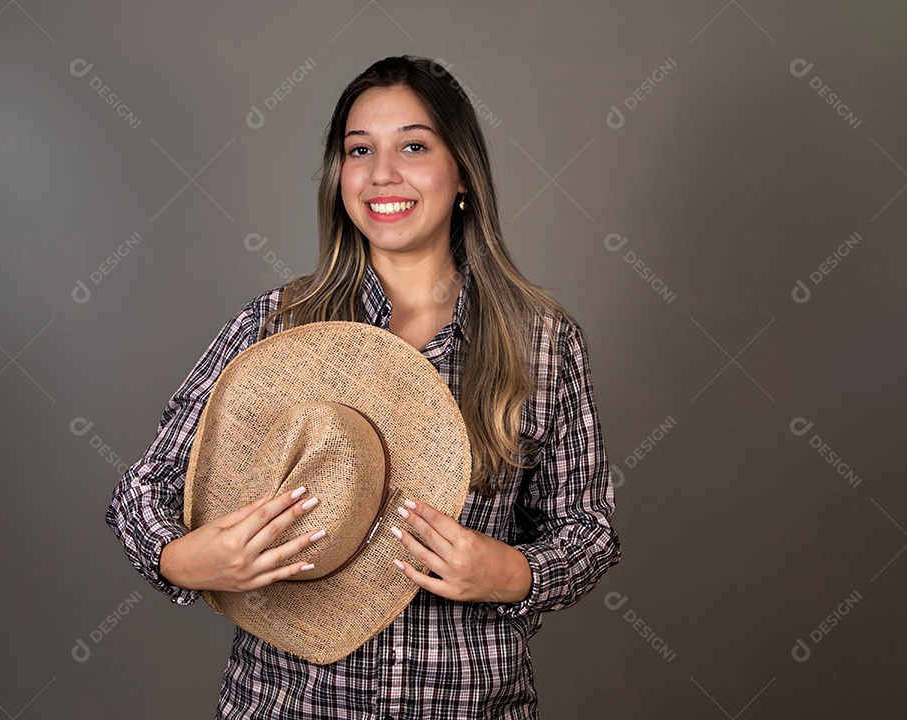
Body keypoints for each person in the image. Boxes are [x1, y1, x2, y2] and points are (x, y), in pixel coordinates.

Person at [106, 54, 621, 719]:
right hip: (287, 705)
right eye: (359, 150)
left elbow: (589, 528)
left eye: (413, 145)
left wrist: (512, 573)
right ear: (338, 175)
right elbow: (140, 493)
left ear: (462, 171)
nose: (382, 174)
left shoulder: (542, 343)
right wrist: (183, 560)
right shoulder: (276, 324)